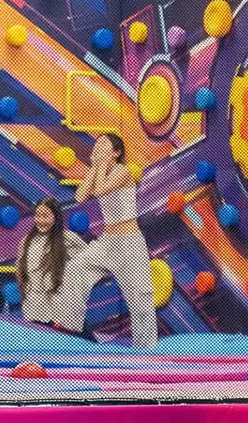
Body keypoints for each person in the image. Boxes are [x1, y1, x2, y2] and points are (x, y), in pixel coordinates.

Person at [54, 133, 159, 348]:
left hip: (129, 242)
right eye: (97, 144)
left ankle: (146, 350)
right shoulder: (99, 171)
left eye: (104, 145)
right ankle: (70, 324)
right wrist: (94, 167)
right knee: (75, 269)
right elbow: (80, 197)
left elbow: (101, 189)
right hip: (107, 241)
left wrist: (99, 166)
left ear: (117, 152)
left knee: (140, 297)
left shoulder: (124, 171)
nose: (99, 147)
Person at [15, 198, 86, 325]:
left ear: (56, 217)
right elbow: (20, 270)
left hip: (60, 309)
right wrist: (25, 295)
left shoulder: (68, 238)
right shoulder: (27, 241)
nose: (40, 220)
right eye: (37, 215)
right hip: (34, 309)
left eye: (45, 216)